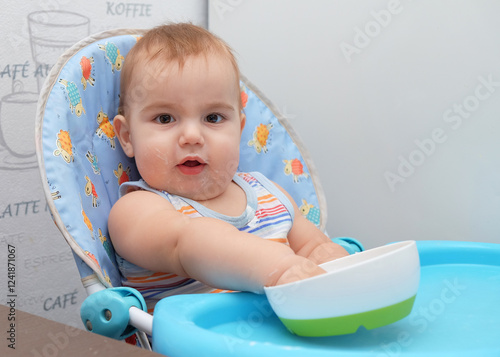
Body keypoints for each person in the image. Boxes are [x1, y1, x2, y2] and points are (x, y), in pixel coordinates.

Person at [109, 23, 348, 310]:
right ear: (127, 137)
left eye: (212, 118)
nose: (192, 137)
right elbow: (188, 244)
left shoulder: (270, 193)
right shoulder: (137, 209)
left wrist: (340, 268)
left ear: (240, 129)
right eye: (164, 118)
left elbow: (314, 248)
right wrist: (281, 269)